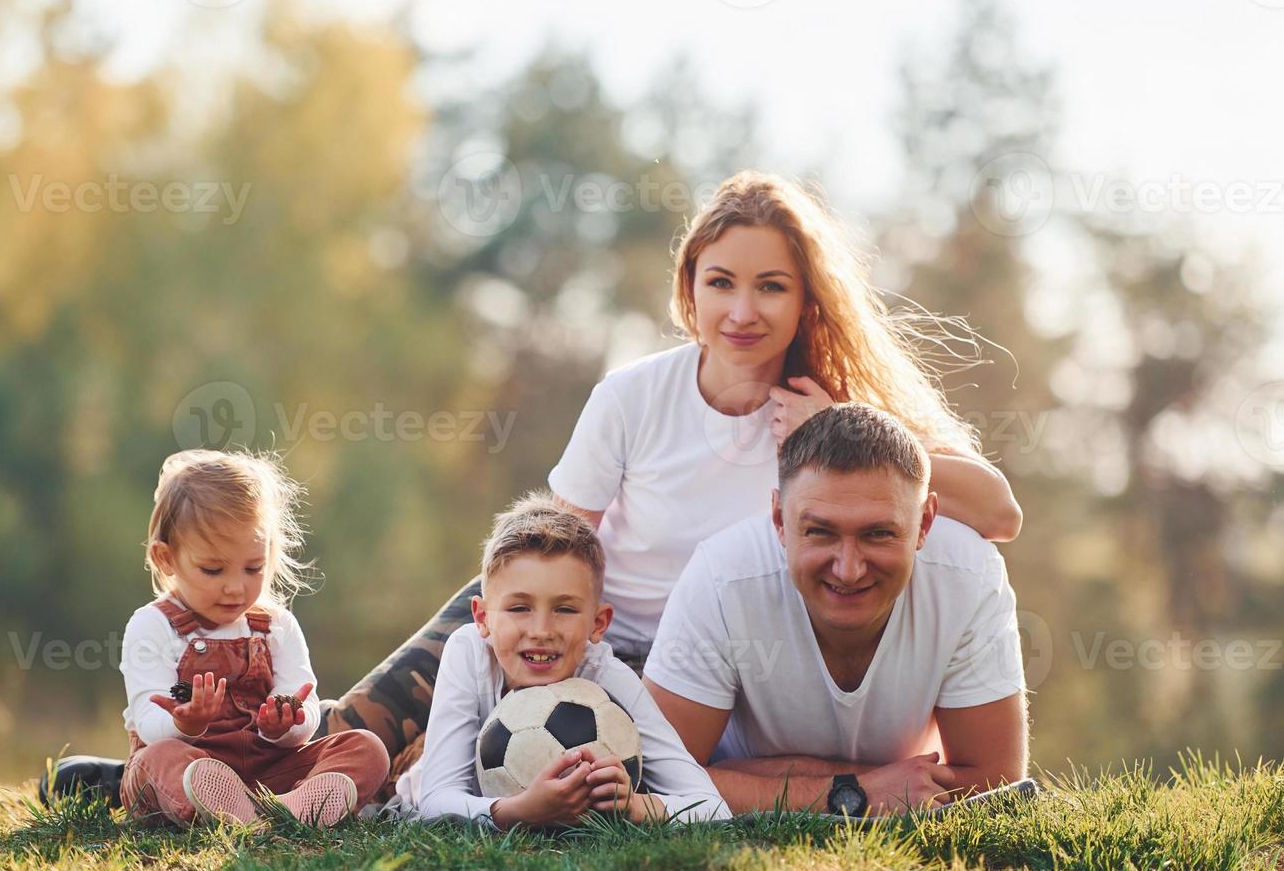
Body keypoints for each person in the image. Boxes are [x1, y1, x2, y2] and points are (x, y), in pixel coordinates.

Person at [318, 171, 1023, 775]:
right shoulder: (633, 397)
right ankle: (303, 759)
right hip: (598, 639)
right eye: (721, 283)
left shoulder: (837, 420)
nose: (742, 312)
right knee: (476, 615)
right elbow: (555, 550)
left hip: (723, 664)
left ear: (807, 300)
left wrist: (828, 426)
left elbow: (1000, 515)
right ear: (690, 290)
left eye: (771, 287)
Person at [643, 403, 1029, 816]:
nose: (848, 570)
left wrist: (742, 778)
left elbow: (997, 786)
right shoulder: (721, 577)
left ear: (925, 523)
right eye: (820, 532)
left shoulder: (968, 573)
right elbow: (661, 778)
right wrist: (856, 791)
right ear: (778, 520)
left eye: (878, 534)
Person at [397, 493, 730, 827]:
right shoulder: (469, 652)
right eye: (519, 608)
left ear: (598, 624)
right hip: (418, 780)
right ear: (482, 617)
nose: (541, 631)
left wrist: (636, 806)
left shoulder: (607, 677)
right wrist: (522, 811)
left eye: (565, 609)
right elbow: (435, 803)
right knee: (378, 760)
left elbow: (712, 807)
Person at [116, 450, 389, 827]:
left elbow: (306, 703)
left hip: (267, 775)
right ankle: (235, 809)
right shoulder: (153, 625)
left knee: (366, 748)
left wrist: (284, 725)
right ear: (166, 559)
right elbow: (147, 719)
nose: (235, 588)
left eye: (253, 568)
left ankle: (284, 809)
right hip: (187, 767)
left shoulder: (276, 626)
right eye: (213, 570)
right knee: (155, 760)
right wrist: (185, 725)